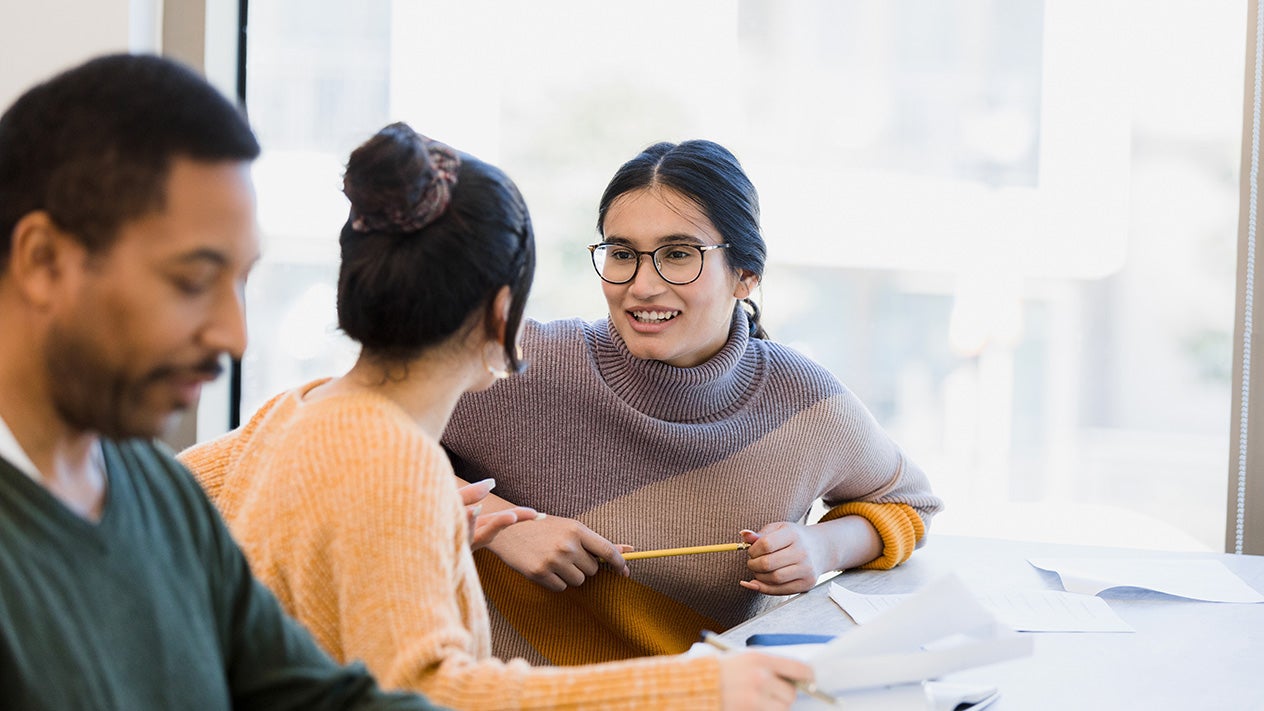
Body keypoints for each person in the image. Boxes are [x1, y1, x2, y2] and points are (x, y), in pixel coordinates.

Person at [178, 122, 813, 710]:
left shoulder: (295, 422)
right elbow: (431, 694)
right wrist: (702, 684)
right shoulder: (393, 460)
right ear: (502, 312)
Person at [0, 54, 444, 710]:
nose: (232, 337)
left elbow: (318, 699)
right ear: (42, 260)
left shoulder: (161, 495)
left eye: (239, 283)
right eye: (192, 281)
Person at [441, 139, 945, 665]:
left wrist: (824, 548)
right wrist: (499, 524)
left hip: (695, 694)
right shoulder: (524, 362)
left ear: (746, 276)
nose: (642, 286)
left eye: (678, 254)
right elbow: (352, 429)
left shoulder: (804, 402)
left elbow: (911, 505)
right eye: (622, 254)